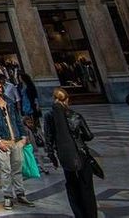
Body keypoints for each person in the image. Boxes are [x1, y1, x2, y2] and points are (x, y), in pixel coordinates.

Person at [43, 87, 98, 218]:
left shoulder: (49, 116)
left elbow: (48, 137)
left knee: (72, 185)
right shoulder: (75, 115)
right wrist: (78, 138)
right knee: (87, 186)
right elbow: (89, 135)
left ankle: (79, 214)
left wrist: (51, 155)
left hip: (65, 155)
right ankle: (91, 214)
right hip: (81, 153)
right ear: (67, 99)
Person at [0, 76, 34, 210]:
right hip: (2, 140)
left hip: (15, 139)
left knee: (17, 168)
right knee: (6, 169)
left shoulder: (9, 101)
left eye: (0, 87)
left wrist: (23, 135)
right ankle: (8, 196)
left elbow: (17, 119)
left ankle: (21, 194)